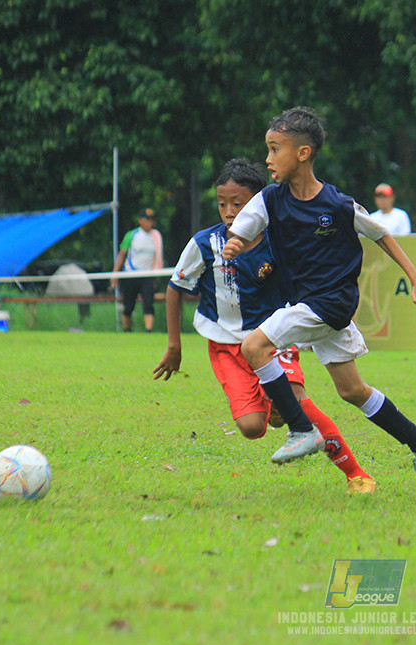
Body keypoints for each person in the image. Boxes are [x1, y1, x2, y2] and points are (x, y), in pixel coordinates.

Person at [221, 107, 416, 501]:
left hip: (329, 303)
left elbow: (382, 236)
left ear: (304, 153)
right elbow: (242, 229)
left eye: (275, 150)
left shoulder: (339, 205)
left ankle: (301, 429)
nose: (268, 159)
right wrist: (235, 243)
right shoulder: (270, 200)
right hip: (311, 304)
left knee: (254, 347)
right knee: (352, 390)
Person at [153, 159, 375, 494]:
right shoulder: (205, 243)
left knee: (300, 403)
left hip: (273, 339)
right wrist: (174, 345)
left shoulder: (279, 240)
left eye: (238, 204)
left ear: (257, 203)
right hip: (225, 347)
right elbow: (175, 288)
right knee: (251, 427)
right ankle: (276, 406)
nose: (229, 211)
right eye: (222, 204)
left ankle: (356, 475)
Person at [111, 207, 164, 333]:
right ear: (140, 221)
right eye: (147, 220)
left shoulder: (155, 236)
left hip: (147, 275)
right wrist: (115, 274)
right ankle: (127, 329)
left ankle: (148, 330)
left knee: (148, 303)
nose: (149, 223)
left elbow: (157, 258)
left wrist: (155, 276)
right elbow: (122, 254)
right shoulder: (132, 235)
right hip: (131, 274)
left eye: (151, 220)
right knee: (128, 305)